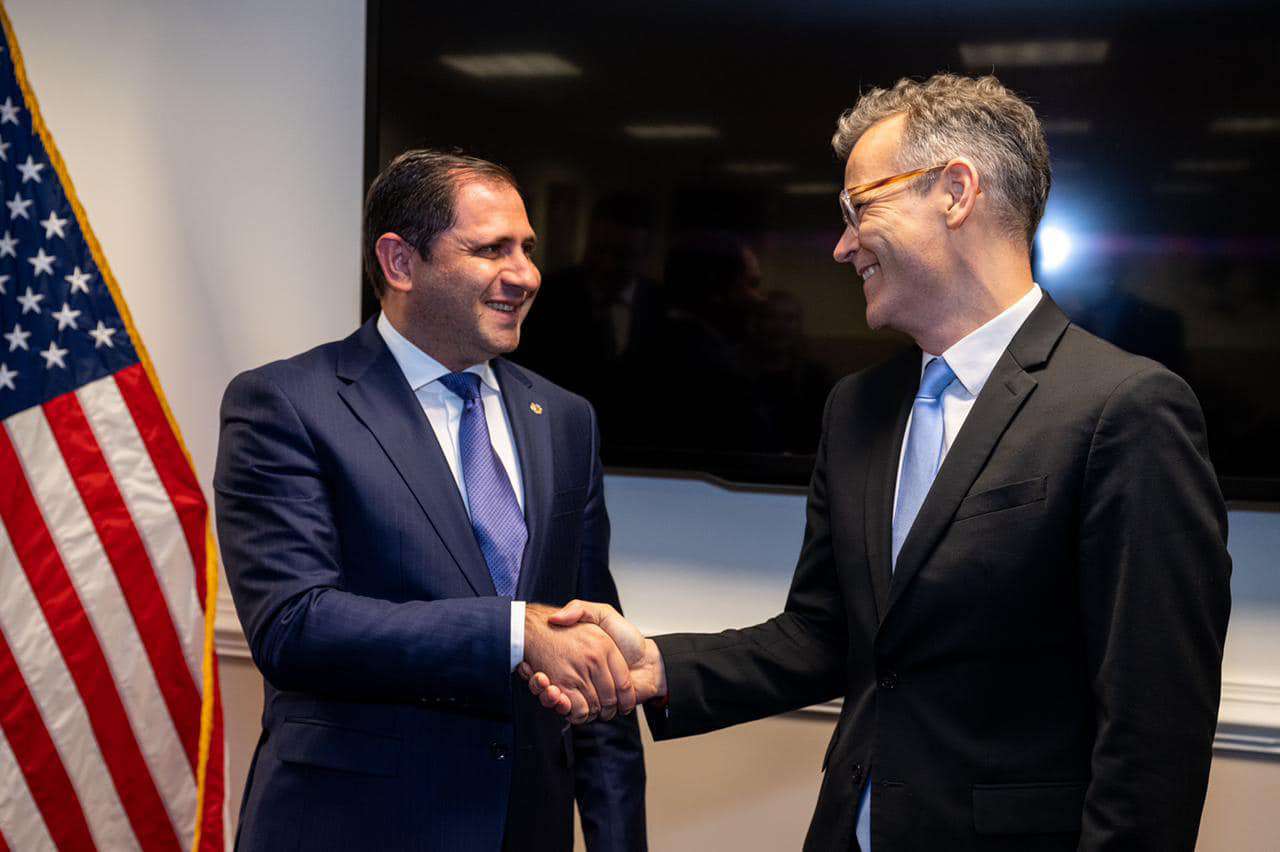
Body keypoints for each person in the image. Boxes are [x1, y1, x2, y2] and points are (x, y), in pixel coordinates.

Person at [525, 74, 1231, 851]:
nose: (842, 244)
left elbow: (1154, 731)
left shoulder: (1124, 410)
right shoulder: (857, 407)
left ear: (955, 192)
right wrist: (655, 666)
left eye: (860, 207)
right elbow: (824, 633)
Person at [215, 149, 646, 851]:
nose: (527, 275)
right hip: (353, 828)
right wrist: (513, 632)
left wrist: (618, 839)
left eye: (528, 249)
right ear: (399, 262)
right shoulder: (287, 404)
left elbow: (592, 645)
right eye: (491, 250)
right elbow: (293, 625)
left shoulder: (566, 419)